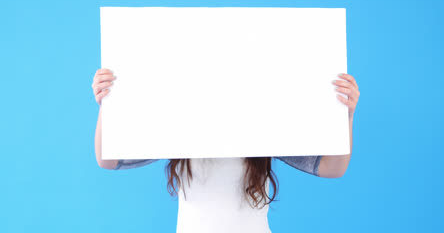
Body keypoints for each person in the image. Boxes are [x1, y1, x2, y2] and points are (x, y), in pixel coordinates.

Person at [91, 68, 360, 233]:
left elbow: (332, 168)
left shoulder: (266, 127)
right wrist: (107, 105)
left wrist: (345, 116)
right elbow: (108, 160)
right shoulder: (177, 128)